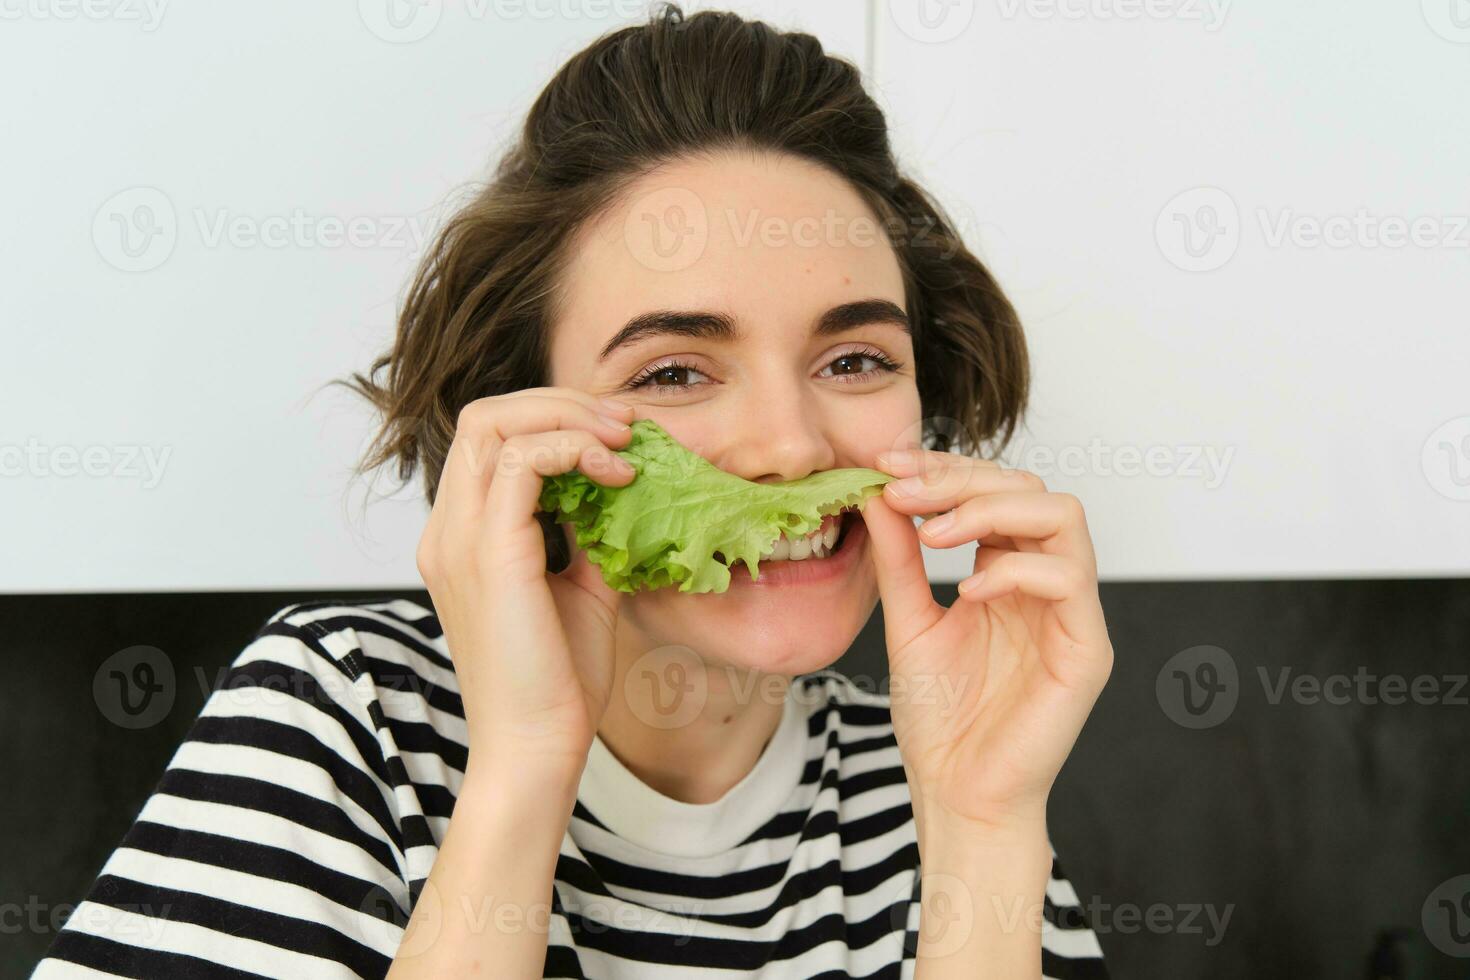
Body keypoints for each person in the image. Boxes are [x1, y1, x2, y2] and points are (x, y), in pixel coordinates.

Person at [34, 5, 1114, 977]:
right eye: (675, 372)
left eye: (856, 361)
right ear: (523, 431)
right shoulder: (350, 713)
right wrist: (522, 767)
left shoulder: (942, 767)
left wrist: (981, 826)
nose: (791, 444)